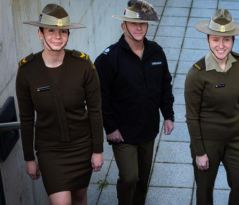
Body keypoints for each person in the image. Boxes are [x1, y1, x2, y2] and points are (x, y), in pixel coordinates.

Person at [16, 4, 104, 205]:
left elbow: (95, 110)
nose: (58, 36)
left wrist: (97, 150)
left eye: (63, 31)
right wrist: (29, 158)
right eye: (51, 31)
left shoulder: (83, 66)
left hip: (82, 145)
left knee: (80, 196)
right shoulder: (27, 71)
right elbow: (27, 118)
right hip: (50, 150)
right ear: (40, 34)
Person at [94, 0, 174, 204]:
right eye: (133, 24)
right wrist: (110, 128)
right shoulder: (109, 58)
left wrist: (168, 115)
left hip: (148, 128)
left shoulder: (156, 52)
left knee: (143, 180)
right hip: (123, 132)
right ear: (123, 26)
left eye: (143, 24)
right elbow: (101, 97)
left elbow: (165, 85)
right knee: (130, 177)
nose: (138, 28)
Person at [185, 9, 239, 205]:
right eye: (216, 39)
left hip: (235, 138)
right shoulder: (197, 74)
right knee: (205, 191)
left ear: (233, 40)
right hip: (207, 141)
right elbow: (191, 117)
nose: (221, 45)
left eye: (226, 40)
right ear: (207, 40)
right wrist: (199, 152)